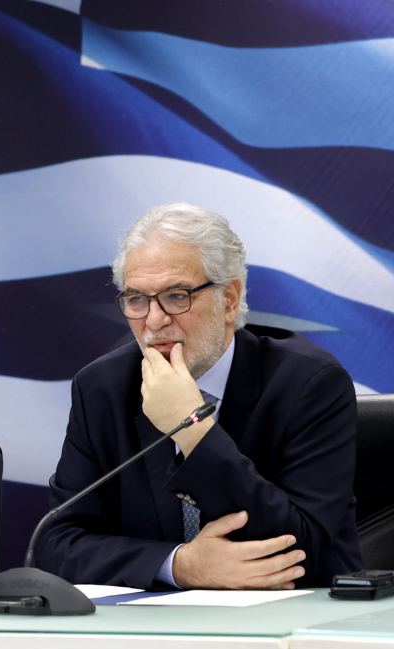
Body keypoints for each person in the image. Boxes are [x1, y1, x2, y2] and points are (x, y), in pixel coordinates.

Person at [33, 203, 362, 589]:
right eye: (136, 300)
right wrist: (179, 565)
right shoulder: (102, 389)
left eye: (176, 296)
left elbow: (302, 548)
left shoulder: (309, 384)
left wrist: (192, 430)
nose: (154, 321)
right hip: (157, 622)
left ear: (229, 299)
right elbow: (55, 544)